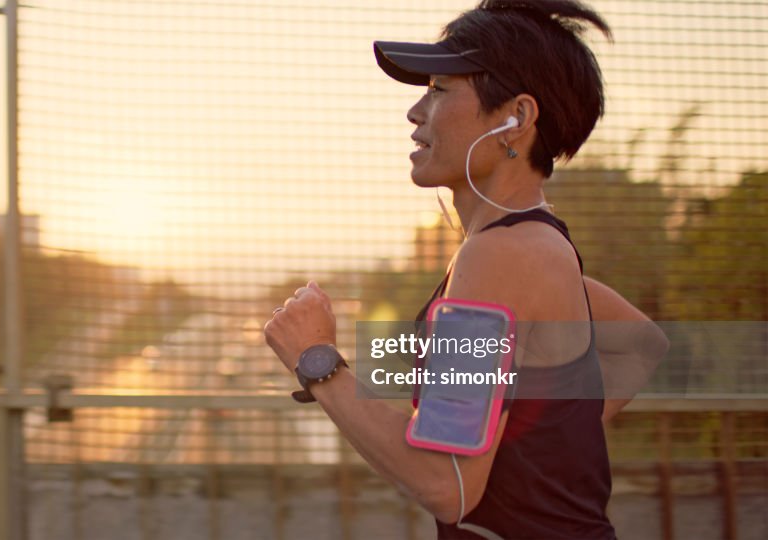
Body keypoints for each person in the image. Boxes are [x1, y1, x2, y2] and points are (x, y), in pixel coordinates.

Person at [263, 1, 668, 538]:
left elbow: (445, 483)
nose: (415, 112)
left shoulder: (501, 256)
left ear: (515, 119)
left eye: (438, 89)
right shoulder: (536, 249)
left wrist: (317, 362)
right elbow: (642, 344)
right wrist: (539, 443)